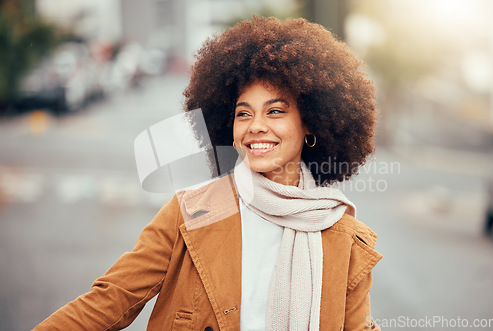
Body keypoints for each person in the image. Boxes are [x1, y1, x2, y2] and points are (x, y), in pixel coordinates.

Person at [35, 16, 382, 330]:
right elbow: (110, 301)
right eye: (243, 114)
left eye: (275, 111)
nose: (256, 127)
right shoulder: (190, 211)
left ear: (312, 124)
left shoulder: (346, 240)